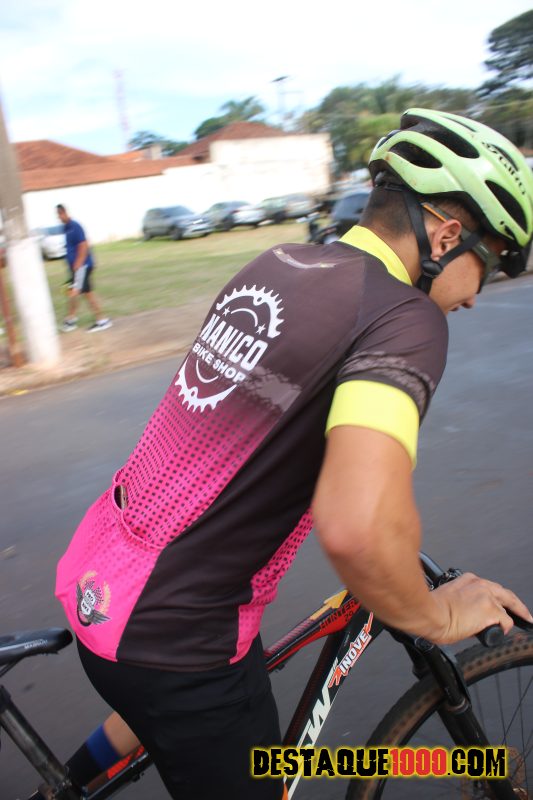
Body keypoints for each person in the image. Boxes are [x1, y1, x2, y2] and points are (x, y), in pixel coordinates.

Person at [53, 109, 533, 800]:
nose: (478, 294)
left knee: (182, 708)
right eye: (493, 261)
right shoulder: (405, 316)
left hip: (106, 580)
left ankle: (61, 788)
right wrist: (438, 616)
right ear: (447, 235)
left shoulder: (279, 262)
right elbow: (357, 526)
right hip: (176, 638)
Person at [56, 204, 112, 333]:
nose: (59, 218)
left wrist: (78, 264)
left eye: (59, 215)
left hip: (82, 266)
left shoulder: (75, 226)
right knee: (76, 291)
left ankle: (101, 320)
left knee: (83, 293)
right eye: (57, 216)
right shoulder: (66, 228)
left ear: (64, 212)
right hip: (77, 268)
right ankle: (71, 319)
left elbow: (84, 245)